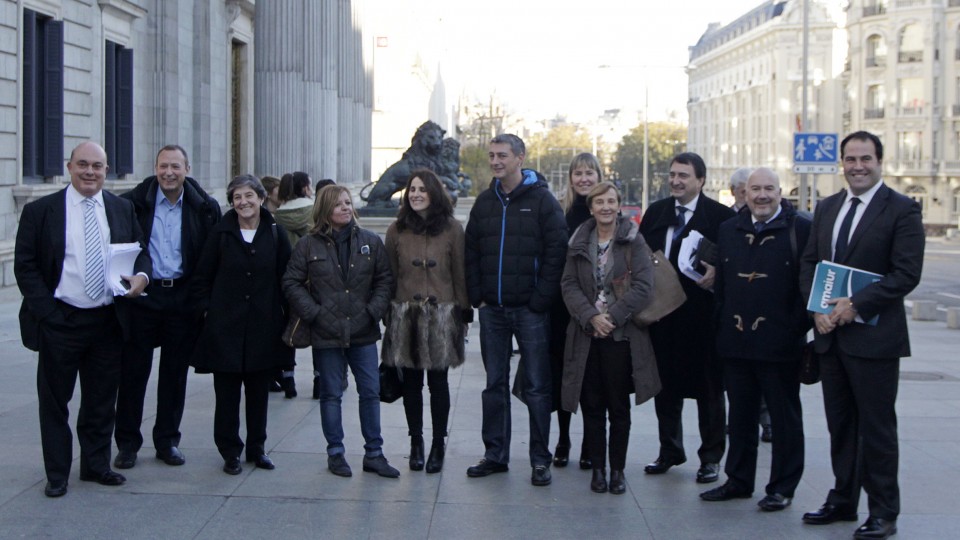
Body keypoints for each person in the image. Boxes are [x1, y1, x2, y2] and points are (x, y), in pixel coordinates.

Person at [799, 131, 924, 540]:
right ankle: (842, 499)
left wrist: (856, 305)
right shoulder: (828, 207)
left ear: (879, 161)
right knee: (841, 425)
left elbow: (906, 273)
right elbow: (811, 262)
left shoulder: (902, 209)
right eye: (850, 159)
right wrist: (816, 307)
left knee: (877, 428)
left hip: (875, 339)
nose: (857, 166)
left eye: (865, 158)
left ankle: (884, 511)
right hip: (831, 337)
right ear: (842, 162)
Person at [15, 141, 151, 497]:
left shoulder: (121, 208)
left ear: (106, 170)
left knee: (101, 399)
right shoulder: (41, 211)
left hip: (107, 320)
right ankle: (57, 473)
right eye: (83, 165)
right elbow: (26, 266)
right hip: (61, 320)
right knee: (54, 401)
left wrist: (142, 278)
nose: (90, 172)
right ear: (69, 167)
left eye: (98, 166)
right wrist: (48, 314)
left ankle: (95, 465)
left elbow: (140, 254)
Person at [700, 167, 811, 511]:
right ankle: (738, 480)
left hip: (780, 345)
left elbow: (809, 284)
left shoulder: (800, 228)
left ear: (781, 192)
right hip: (736, 342)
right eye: (755, 189)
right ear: (743, 193)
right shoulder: (728, 229)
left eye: (769, 189)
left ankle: (782, 487)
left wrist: (794, 328)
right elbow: (722, 285)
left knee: (784, 420)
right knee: (741, 418)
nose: (762, 195)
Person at [464, 133, 568, 487]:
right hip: (492, 311)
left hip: (530, 311)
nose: (495, 161)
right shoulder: (483, 203)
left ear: (520, 158)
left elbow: (557, 254)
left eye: (502, 155)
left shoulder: (543, 202)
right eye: (492, 155)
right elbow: (472, 252)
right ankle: (495, 454)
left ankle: (540, 460)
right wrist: (477, 294)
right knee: (494, 385)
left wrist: (540, 300)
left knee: (538, 387)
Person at [113, 145, 221, 470]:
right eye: (163, 166)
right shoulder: (132, 204)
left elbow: (209, 258)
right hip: (143, 298)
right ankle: (128, 444)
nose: (168, 172)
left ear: (187, 168)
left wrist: (201, 302)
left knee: (174, 376)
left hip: (182, 300)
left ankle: (167, 441)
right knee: (133, 373)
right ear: (155, 167)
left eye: (175, 166)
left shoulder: (205, 207)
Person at [282, 185, 400, 479]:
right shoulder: (308, 245)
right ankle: (336, 453)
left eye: (348, 202)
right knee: (331, 394)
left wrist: (372, 311)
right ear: (325, 210)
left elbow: (385, 280)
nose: (346, 208)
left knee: (370, 392)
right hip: (327, 333)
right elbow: (291, 282)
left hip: (363, 331)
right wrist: (315, 313)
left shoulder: (370, 241)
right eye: (338, 204)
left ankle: (374, 453)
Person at [638, 152, 735, 484]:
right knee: (665, 389)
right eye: (672, 175)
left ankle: (710, 458)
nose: (676, 181)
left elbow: (733, 266)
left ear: (701, 180)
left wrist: (717, 274)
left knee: (709, 392)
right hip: (662, 318)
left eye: (684, 176)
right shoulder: (656, 213)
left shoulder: (721, 217)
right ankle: (670, 450)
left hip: (702, 320)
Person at [560, 181, 658, 495]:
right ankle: (597, 470)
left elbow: (644, 286)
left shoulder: (633, 240)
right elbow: (569, 285)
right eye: (599, 202)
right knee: (592, 404)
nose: (605, 207)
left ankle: (617, 470)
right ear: (590, 208)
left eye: (611, 201)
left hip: (621, 337)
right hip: (587, 335)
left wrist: (612, 317)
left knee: (618, 406)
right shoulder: (579, 241)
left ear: (619, 206)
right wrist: (591, 316)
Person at [190, 174, 292, 475]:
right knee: (227, 395)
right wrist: (208, 313)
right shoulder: (220, 234)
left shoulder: (276, 233)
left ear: (261, 198)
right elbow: (201, 278)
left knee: (259, 394)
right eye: (237, 197)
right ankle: (230, 450)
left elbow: (287, 278)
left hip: (264, 327)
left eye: (249, 196)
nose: (243, 202)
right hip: (226, 329)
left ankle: (257, 448)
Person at [382, 169, 470, 474]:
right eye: (412, 190)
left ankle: (438, 443)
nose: (416, 194)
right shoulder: (396, 230)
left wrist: (464, 310)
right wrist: (388, 312)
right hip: (405, 313)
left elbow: (459, 272)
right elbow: (390, 274)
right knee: (411, 385)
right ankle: (416, 442)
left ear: (433, 193)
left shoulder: (452, 229)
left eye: (422, 189)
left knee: (438, 383)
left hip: (442, 315)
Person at [552, 153, 601, 469]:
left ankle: (589, 442)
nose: (583, 178)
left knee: (592, 379)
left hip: (598, 308)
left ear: (599, 176)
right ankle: (563, 438)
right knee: (563, 376)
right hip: (561, 308)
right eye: (578, 173)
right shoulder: (559, 212)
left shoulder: (605, 210)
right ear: (571, 178)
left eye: (589, 173)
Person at [728, 167, 773, 443]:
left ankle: (768, 423)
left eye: (763, 189)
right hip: (736, 320)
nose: (754, 196)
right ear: (735, 191)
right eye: (747, 190)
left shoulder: (792, 226)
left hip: (770, 324)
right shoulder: (727, 223)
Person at [271, 171, 316, 398]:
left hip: (285, 277)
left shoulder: (277, 215)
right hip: (312, 276)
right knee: (319, 327)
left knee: (287, 326)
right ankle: (320, 377)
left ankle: (287, 378)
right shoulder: (313, 211)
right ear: (305, 187)